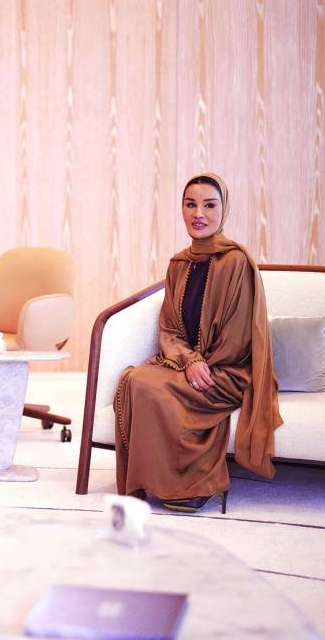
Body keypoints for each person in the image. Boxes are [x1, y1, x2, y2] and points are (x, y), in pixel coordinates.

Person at [112, 173, 282, 512]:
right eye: (191, 205)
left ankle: (197, 483)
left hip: (227, 371)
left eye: (209, 205)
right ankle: (153, 481)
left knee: (153, 386)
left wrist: (201, 365)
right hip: (186, 365)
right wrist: (188, 360)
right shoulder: (179, 264)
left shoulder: (236, 262)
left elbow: (239, 337)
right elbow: (169, 328)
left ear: (223, 210)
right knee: (135, 380)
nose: (199, 214)